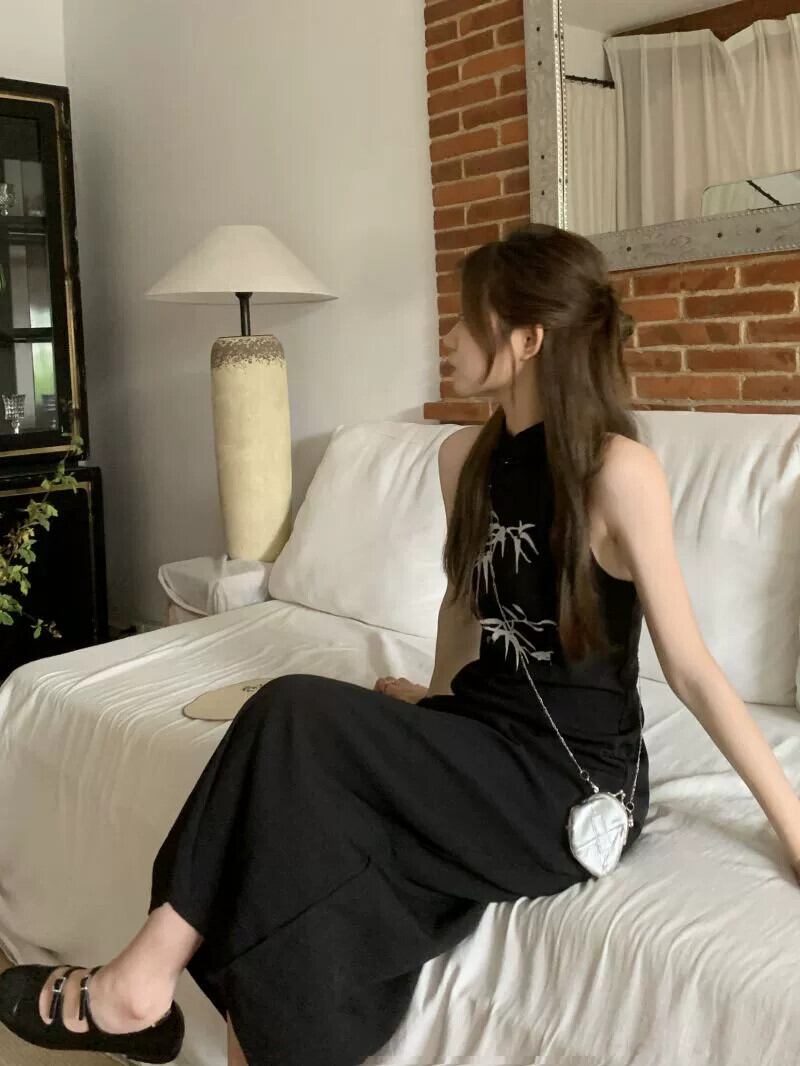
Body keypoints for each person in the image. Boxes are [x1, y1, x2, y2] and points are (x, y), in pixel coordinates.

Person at [2, 224, 799, 1066]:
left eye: (468, 318)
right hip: (479, 736)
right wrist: (433, 704)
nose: (449, 335)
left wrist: (790, 823)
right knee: (301, 832)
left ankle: (138, 981)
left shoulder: (618, 470)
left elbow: (690, 669)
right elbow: (463, 603)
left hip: (568, 783)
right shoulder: (465, 459)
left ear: (528, 339)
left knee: (292, 710)